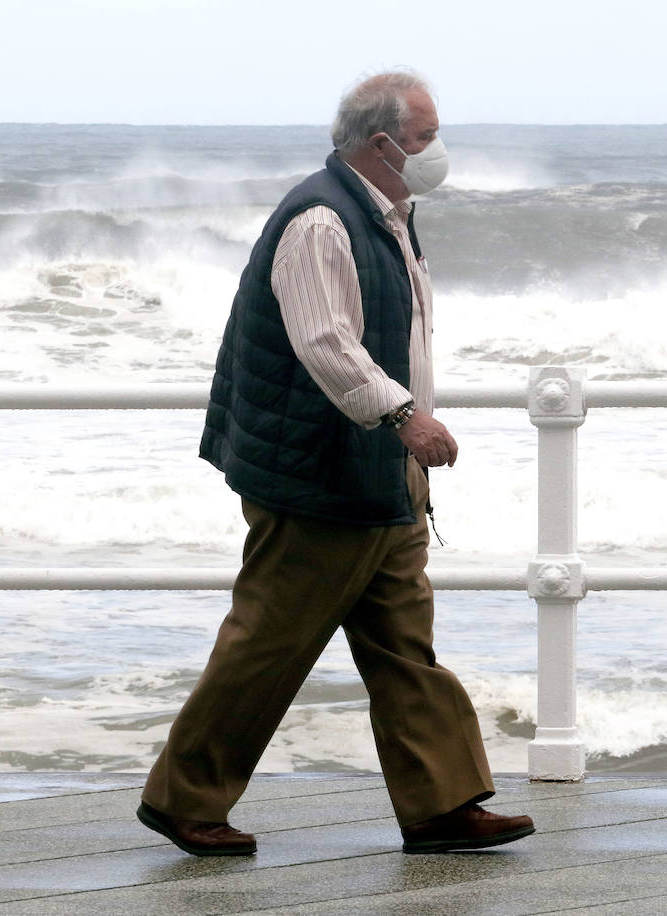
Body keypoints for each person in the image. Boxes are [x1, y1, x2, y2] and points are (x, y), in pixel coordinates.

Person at [136, 69, 533, 857]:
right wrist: (405, 417)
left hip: (379, 473)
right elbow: (326, 343)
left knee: (401, 645)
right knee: (269, 642)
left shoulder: (386, 213)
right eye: (425, 137)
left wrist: (403, 441)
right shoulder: (321, 221)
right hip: (319, 473)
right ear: (382, 144)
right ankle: (183, 798)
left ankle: (442, 805)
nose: (436, 150)